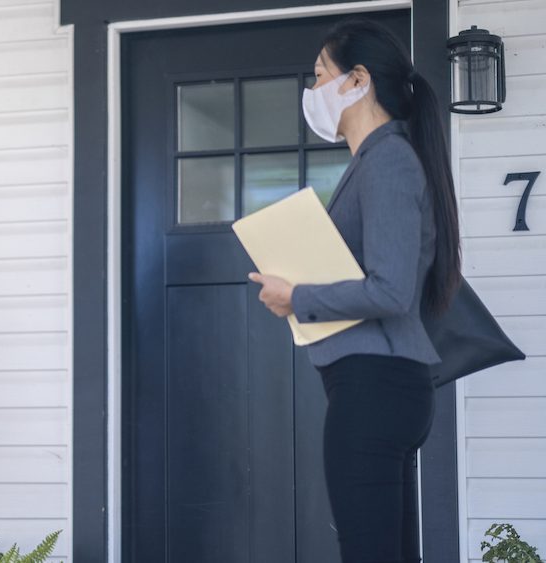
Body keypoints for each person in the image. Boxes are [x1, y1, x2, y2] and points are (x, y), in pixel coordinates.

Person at [249, 19, 461, 563]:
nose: (312, 89)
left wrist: (297, 297)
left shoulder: (387, 160)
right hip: (381, 385)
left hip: (374, 387)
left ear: (357, 81)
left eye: (320, 74)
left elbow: (390, 290)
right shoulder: (379, 160)